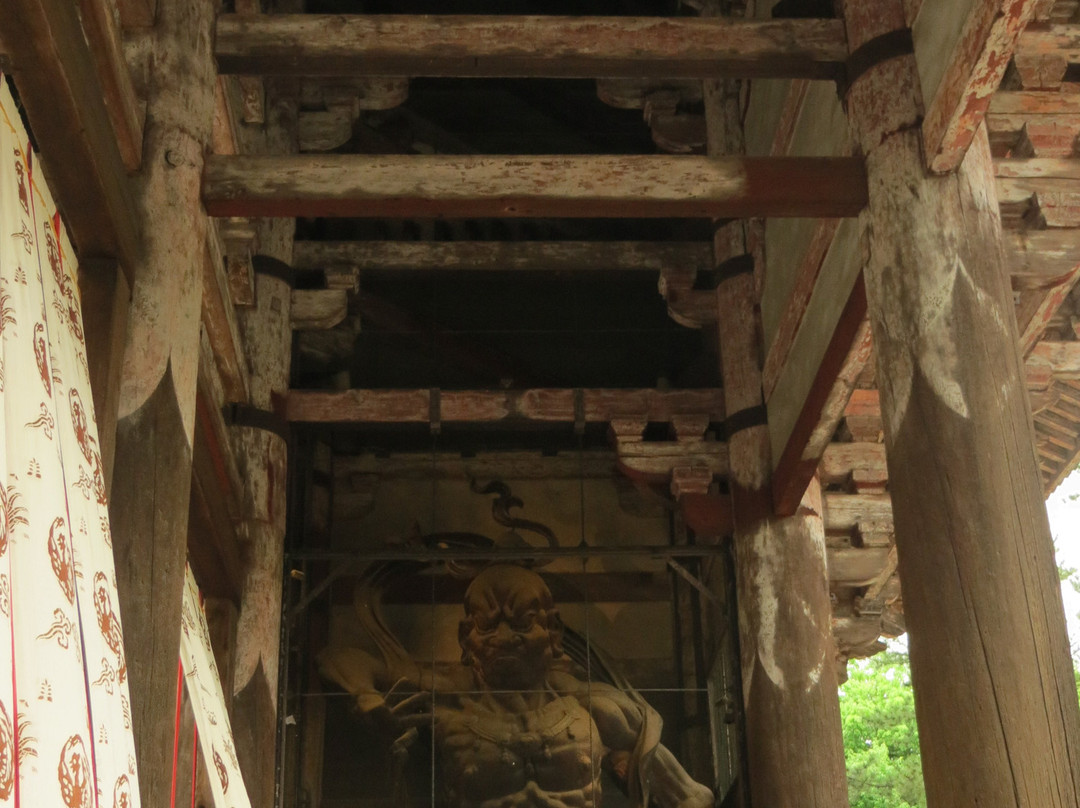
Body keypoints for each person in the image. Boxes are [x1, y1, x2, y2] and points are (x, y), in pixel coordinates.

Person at [319, 564, 714, 808]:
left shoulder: (596, 708)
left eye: (523, 622)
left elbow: (692, 797)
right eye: (489, 625)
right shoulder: (447, 701)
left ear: (553, 631)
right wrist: (367, 697)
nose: (505, 638)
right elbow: (339, 658)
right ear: (465, 636)